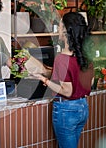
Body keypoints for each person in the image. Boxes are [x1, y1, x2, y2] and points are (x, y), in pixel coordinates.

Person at [32, 12, 94, 148]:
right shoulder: (84, 56)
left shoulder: (62, 58)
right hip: (82, 107)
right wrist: (46, 72)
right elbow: (90, 82)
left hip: (66, 110)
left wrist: (44, 80)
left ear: (66, 31)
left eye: (60, 26)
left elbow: (67, 91)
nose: (58, 29)